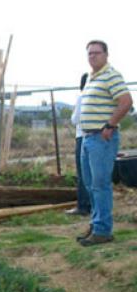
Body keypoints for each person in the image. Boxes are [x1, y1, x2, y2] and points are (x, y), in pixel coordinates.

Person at [77, 40, 133, 246]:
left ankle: (103, 230)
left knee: (100, 185)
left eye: (97, 53)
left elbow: (126, 101)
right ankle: (96, 224)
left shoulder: (111, 75)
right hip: (87, 137)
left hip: (102, 139)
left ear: (106, 55)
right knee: (90, 184)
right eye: (89, 53)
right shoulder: (92, 77)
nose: (92, 57)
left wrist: (110, 125)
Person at [66, 73, 91, 216]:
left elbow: (75, 119)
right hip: (97, 137)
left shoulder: (82, 97)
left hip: (82, 136)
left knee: (82, 174)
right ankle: (93, 205)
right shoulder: (97, 97)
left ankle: (83, 206)